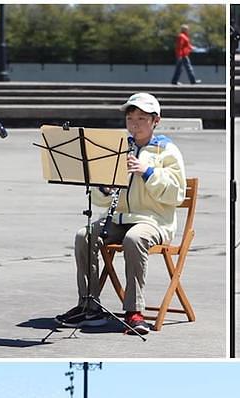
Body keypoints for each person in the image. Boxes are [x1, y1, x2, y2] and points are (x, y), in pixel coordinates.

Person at [55, 92, 187, 334]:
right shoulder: (117, 148)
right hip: (118, 218)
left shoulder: (167, 150)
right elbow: (100, 198)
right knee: (84, 235)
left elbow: (177, 194)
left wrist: (148, 172)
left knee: (134, 238)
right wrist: (104, 188)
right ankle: (89, 306)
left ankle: (134, 311)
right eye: (130, 119)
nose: (134, 124)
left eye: (141, 119)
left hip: (153, 221)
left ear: (156, 121)